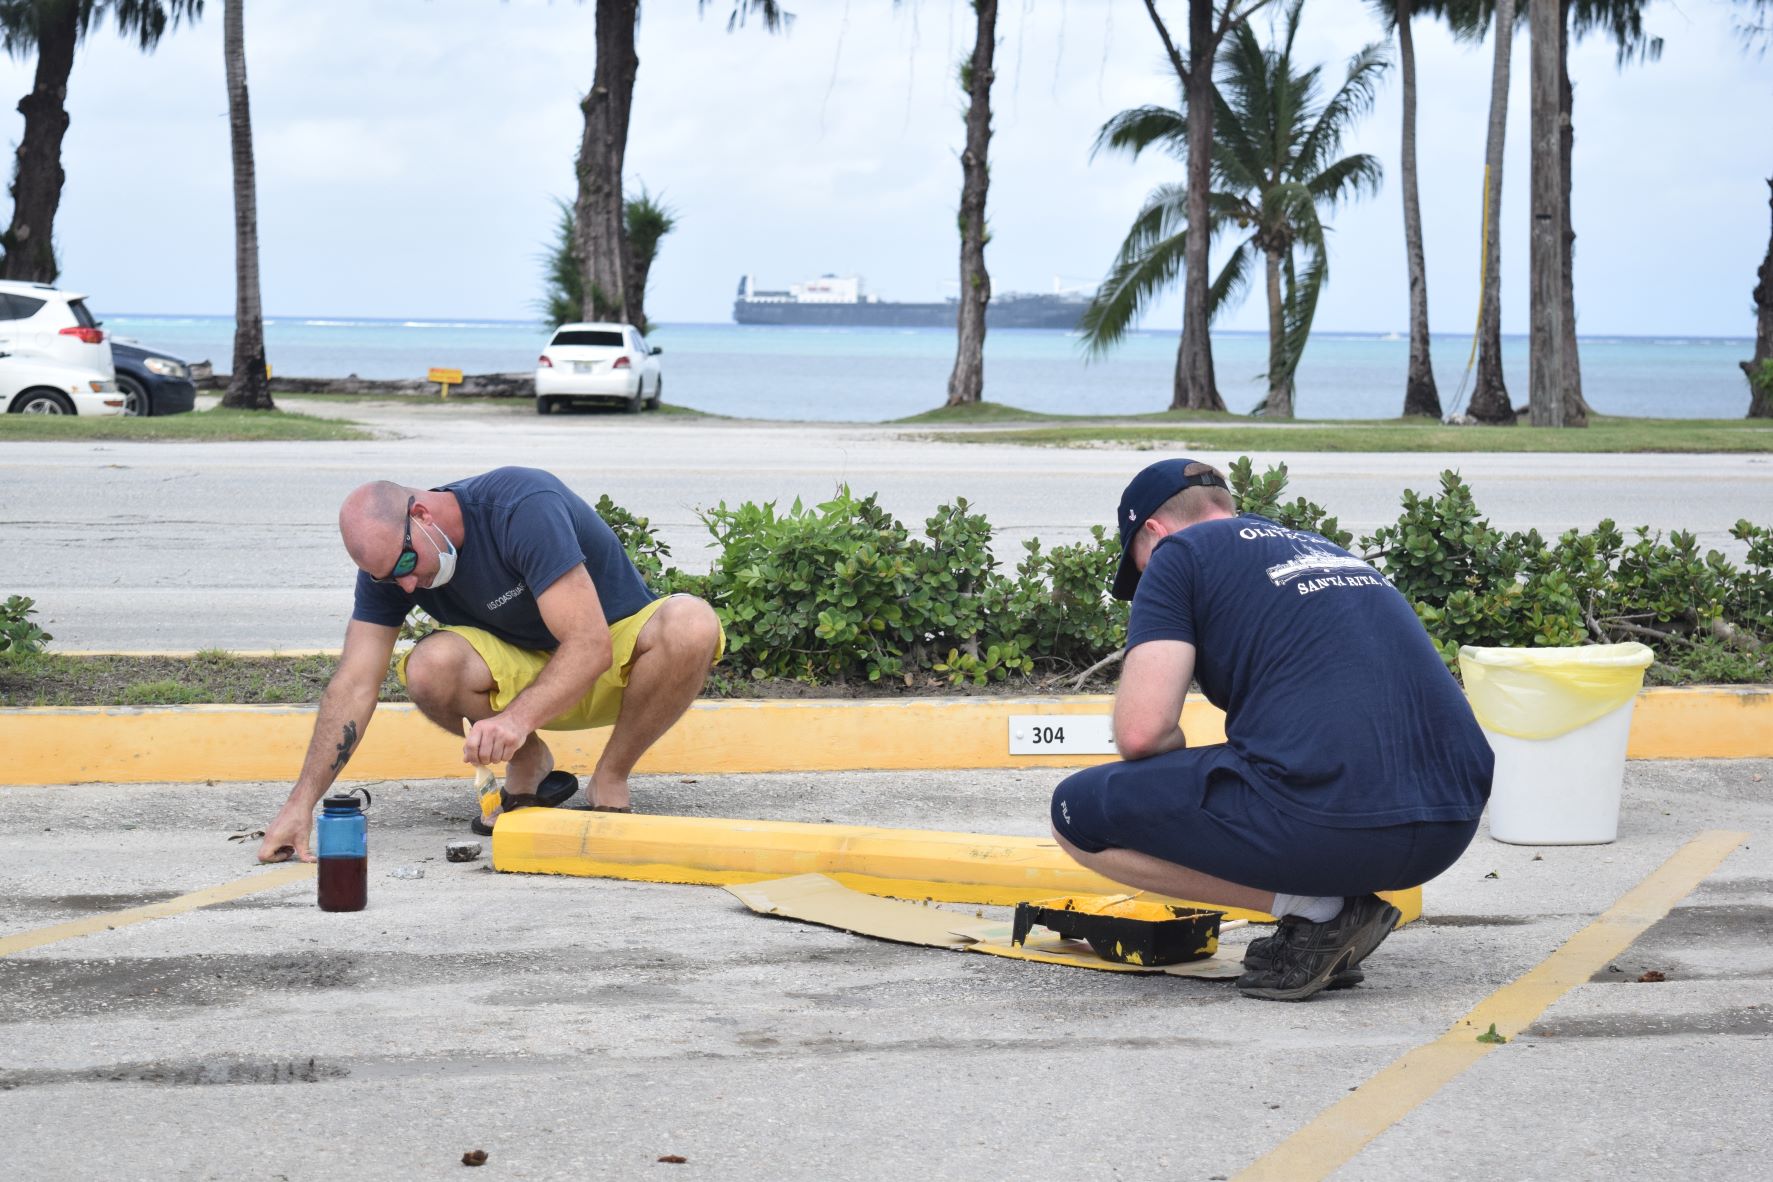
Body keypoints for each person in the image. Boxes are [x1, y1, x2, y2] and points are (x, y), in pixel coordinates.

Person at [1049, 458, 1493, 1001]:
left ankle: (1319, 910)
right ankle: (1331, 899)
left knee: (1077, 814)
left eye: (1137, 567)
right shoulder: (1324, 550)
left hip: (1339, 827)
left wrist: (1172, 777)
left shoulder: (1177, 554)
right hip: (1450, 826)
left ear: (1153, 532)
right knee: (1289, 765)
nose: (1143, 581)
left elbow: (1142, 733)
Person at [257, 466, 724, 863]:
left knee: (692, 624)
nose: (406, 585)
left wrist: (515, 718)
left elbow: (588, 645)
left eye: (405, 564)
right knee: (428, 665)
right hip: (522, 675)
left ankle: (611, 776)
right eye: (388, 577)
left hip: (613, 663)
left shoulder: (521, 507)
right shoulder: (392, 563)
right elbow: (355, 682)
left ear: (421, 514)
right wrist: (301, 805)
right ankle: (529, 759)